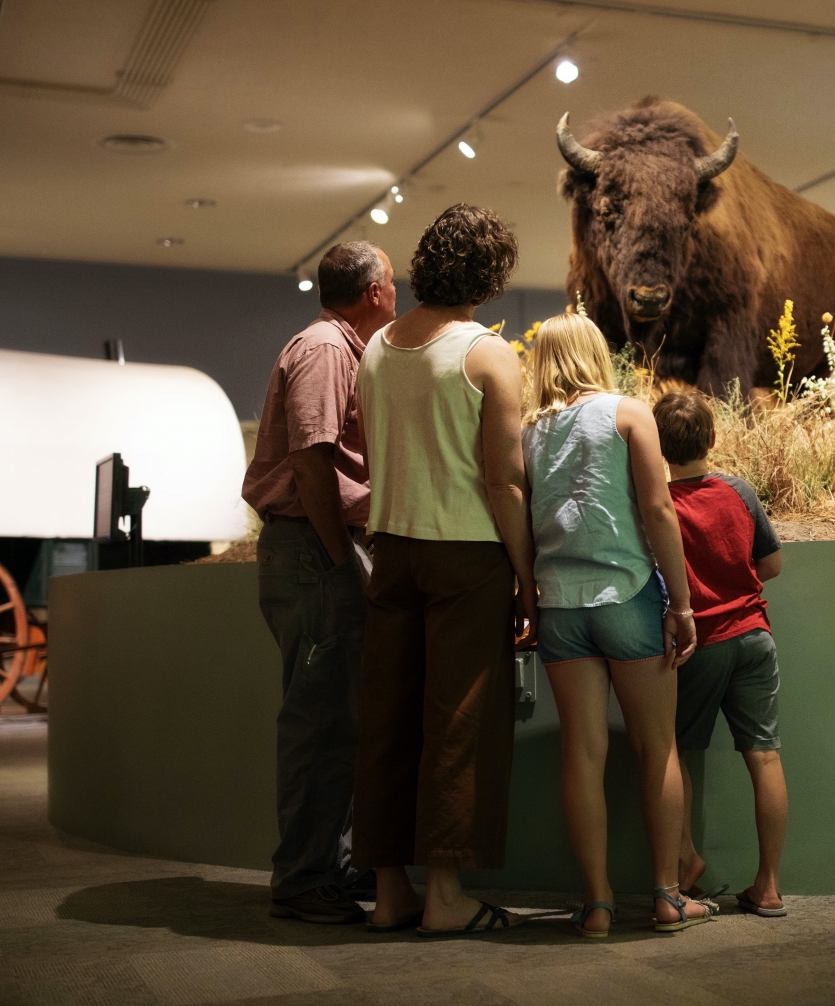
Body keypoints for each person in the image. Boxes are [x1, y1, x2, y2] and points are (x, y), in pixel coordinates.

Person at [351, 205, 535, 937]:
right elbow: (505, 482)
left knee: (388, 720)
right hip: (465, 554)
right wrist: (525, 574)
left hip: (390, 549)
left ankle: (390, 888)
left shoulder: (374, 348)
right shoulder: (487, 355)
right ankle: (448, 894)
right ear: (490, 278)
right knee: (458, 721)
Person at [522, 313, 715, 938]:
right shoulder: (629, 414)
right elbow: (659, 510)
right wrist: (682, 605)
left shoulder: (524, 431)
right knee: (656, 747)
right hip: (627, 594)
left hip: (558, 604)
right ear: (595, 353)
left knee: (582, 751)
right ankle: (665, 896)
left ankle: (598, 904)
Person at [242, 240, 396, 924]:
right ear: (371, 292)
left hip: (313, 549)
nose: (398, 294)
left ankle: (326, 870)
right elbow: (312, 460)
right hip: (314, 550)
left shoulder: (336, 348)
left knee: (336, 717)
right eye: (392, 283)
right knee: (320, 720)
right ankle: (305, 878)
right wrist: (340, 561)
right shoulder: (329, 351)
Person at [653, 390, 790, 918]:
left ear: (659, 449)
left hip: (701, 644)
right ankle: (770, 886)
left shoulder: (660, 504)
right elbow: (772, 565)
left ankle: (684, 860)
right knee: (765, 755)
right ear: (713, 438)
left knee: (679, 751)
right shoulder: (739, 491)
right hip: (755, 636)